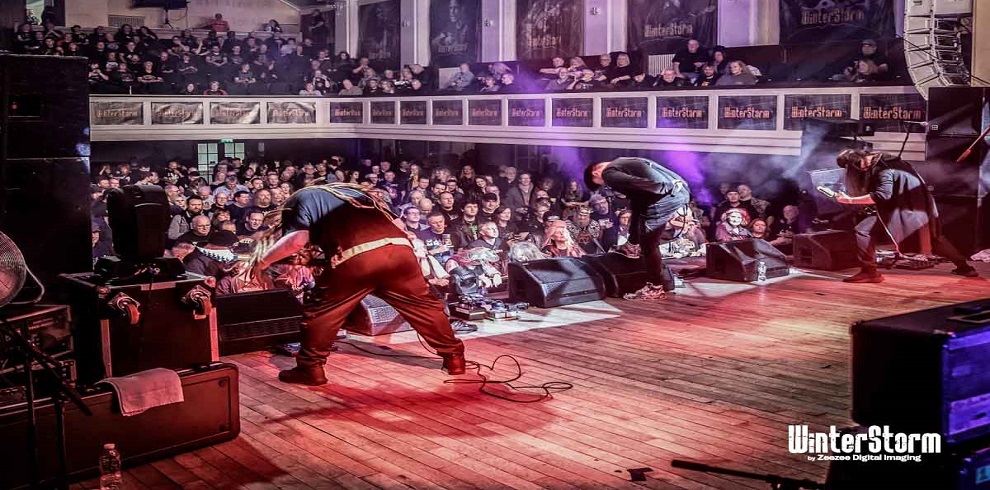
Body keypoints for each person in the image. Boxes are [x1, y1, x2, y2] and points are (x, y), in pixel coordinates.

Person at [249, 183, 466, 386]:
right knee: (424, 306)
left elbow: (296, 241)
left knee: (322, 310)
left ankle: (310, 368)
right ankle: (454, 357)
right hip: (400, 251)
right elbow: (399, 225)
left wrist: (262, 262)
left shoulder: (299, 200)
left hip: (359, 257)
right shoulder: (359, 196)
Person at [833, 149, 978, 283]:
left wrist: (849, 199)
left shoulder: (882, 170)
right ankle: (965, 267)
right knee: (934, 238)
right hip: (921, 205)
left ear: (854, 165)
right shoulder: (893, 161)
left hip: (907, 209)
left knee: (863, 230)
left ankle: (869, 271)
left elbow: (882, 195)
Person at [584, 157, 691, 300]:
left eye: (602, 184)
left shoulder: (608, 173)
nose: (607, 185)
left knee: (649, 245)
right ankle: (632, 246)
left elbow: (633, 183)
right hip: (679, 192)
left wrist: (662, 187)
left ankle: (655, 288)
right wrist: (633, 240)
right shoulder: (626, 161)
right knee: (641, 218)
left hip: (664, 196)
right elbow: (637, 201)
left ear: (595, 173)